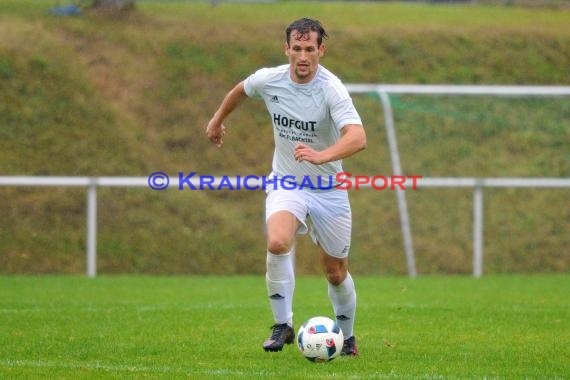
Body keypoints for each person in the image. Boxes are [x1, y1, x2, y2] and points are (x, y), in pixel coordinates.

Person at [205, 17, 366, 356]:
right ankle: (283, 325)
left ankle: (348, 337)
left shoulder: (331, 89)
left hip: (329, 188)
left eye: (310, 49)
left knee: (336, 272)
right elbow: (241, 90)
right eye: (297, 48)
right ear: (287, 49)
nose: (303, 56)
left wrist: (323, 156)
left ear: (321, 50)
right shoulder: (271, 79)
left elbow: (357, 137)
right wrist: (217, 120)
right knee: (278, 241)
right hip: (286, 181)